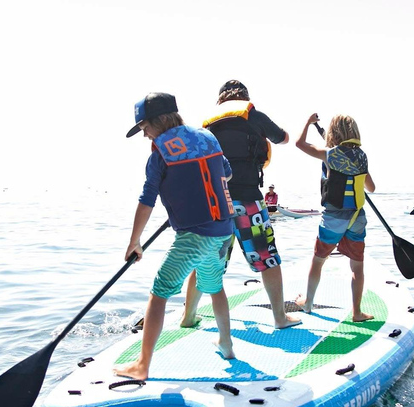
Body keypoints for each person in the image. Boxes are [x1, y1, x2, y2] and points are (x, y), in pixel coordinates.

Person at [113, 92, 237, 380]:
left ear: (160, 120)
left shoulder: (159, 154)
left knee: (159, 293)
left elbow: (147, 200)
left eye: (145, 128)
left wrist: (135, 241)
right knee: (214, 286)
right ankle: (227, 344)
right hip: (222, 231)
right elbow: (226, 174)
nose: (145, 136)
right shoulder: (208, 137)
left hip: (194, 235)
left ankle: (142, 365)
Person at [181, 80, 301, 329]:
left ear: (221, 100)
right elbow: (283, 139)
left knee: (206, 260)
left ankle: (188, 317)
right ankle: (279, 318)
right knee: (267, 258)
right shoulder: (253, 116)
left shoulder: (208, 124)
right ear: (244, 98)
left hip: (215, 204)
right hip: (248, 201)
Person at [294, 113, 376, 322]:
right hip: (357, 217)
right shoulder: (362, 157)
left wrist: (308, 122)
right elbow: (371, 188)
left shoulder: (329, 154)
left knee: (318, 260)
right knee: (357, 266)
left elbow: (299, 144)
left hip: (333, 218)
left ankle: (308, 303)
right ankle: (357, 312)